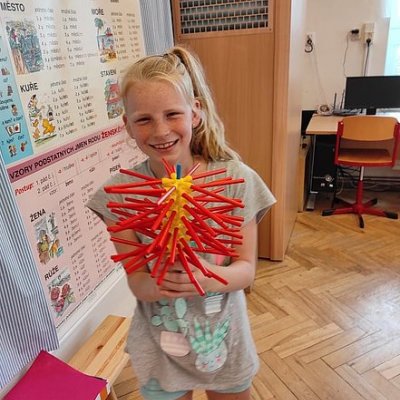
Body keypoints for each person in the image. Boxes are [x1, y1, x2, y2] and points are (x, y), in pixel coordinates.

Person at [87, 45, 276, 400]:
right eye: (144, 119)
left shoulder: (236, 181)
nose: (160, 131)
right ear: (127, 126)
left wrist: (205, 277)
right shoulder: (120, 195)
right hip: (161, 347)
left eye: (172, 114)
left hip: (224, 339)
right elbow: (137, 281)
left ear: (195, 113)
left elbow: (246, 270)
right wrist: (162, 282)